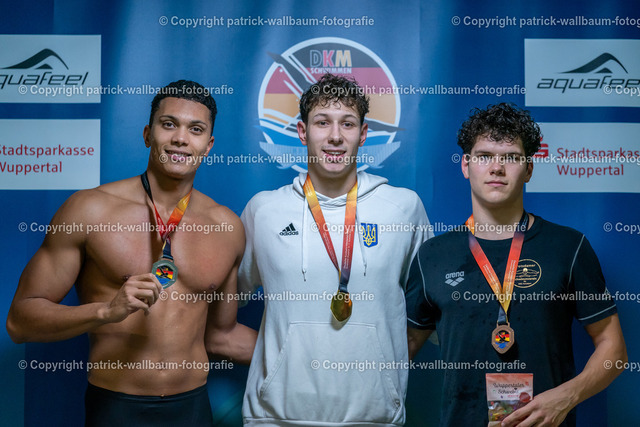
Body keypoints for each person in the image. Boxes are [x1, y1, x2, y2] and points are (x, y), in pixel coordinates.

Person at [6, 80, 257, 426]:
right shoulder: (89, 210)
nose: (181, 138)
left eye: (195, 129)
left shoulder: (226, 227)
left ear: (209, 145)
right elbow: (19, 322)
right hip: (116, 408)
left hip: (193, 409)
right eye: (168, 124)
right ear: (147, 134)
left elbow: (222, 336)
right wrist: (105, 311)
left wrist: (310, 354)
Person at [405, 103, 627, 427]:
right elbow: (402, 348)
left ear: (529, 169)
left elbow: (614, 349)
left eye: (510, 157)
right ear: (466, 165)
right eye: (484, 156)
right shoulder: (432, 255)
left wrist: (566, 396)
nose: (497, 168)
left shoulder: (568, 247)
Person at [238, 73, 433, 426]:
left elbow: (429, 306)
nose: (335, 136)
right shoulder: (263, 210)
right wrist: (281, 362)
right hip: (274, 418)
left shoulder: (403, 208)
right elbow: (219, 304)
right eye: (322, 122)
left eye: (347, 123)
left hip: (374, 417)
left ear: (363, 133)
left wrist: (385, 369)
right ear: (302, 131)